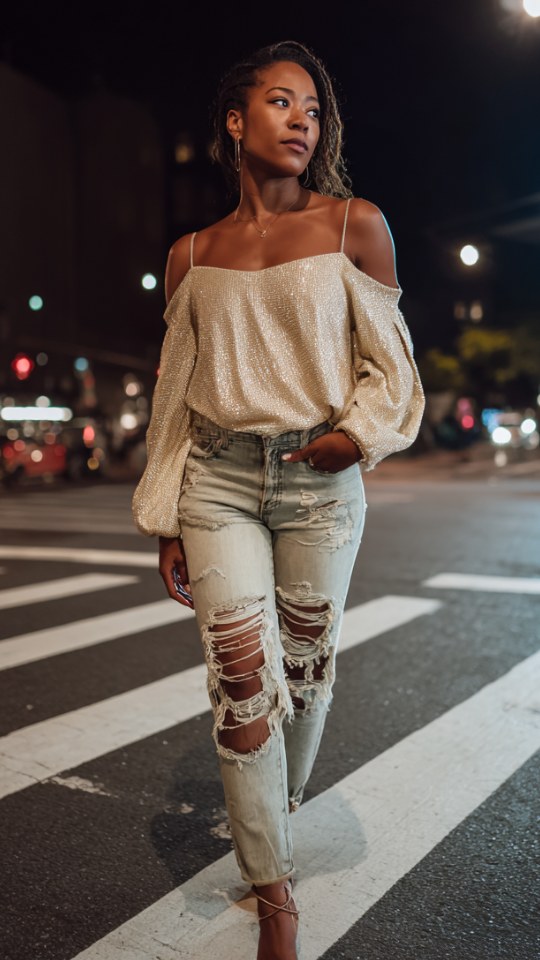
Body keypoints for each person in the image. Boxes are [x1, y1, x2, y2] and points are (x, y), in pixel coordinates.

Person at [132, 39, 424, 960]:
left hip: (318, 483)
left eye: (312, 110)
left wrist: (354, 438)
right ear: (235, 120)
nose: (302, 120)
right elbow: (173, 398)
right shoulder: (191, 254)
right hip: (218, 481)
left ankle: (277, 808)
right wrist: (168, 516)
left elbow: (394, 371)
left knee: (304, 675)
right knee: (242, 680)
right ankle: (275, 892)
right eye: (280, 103)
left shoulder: (354, 227)